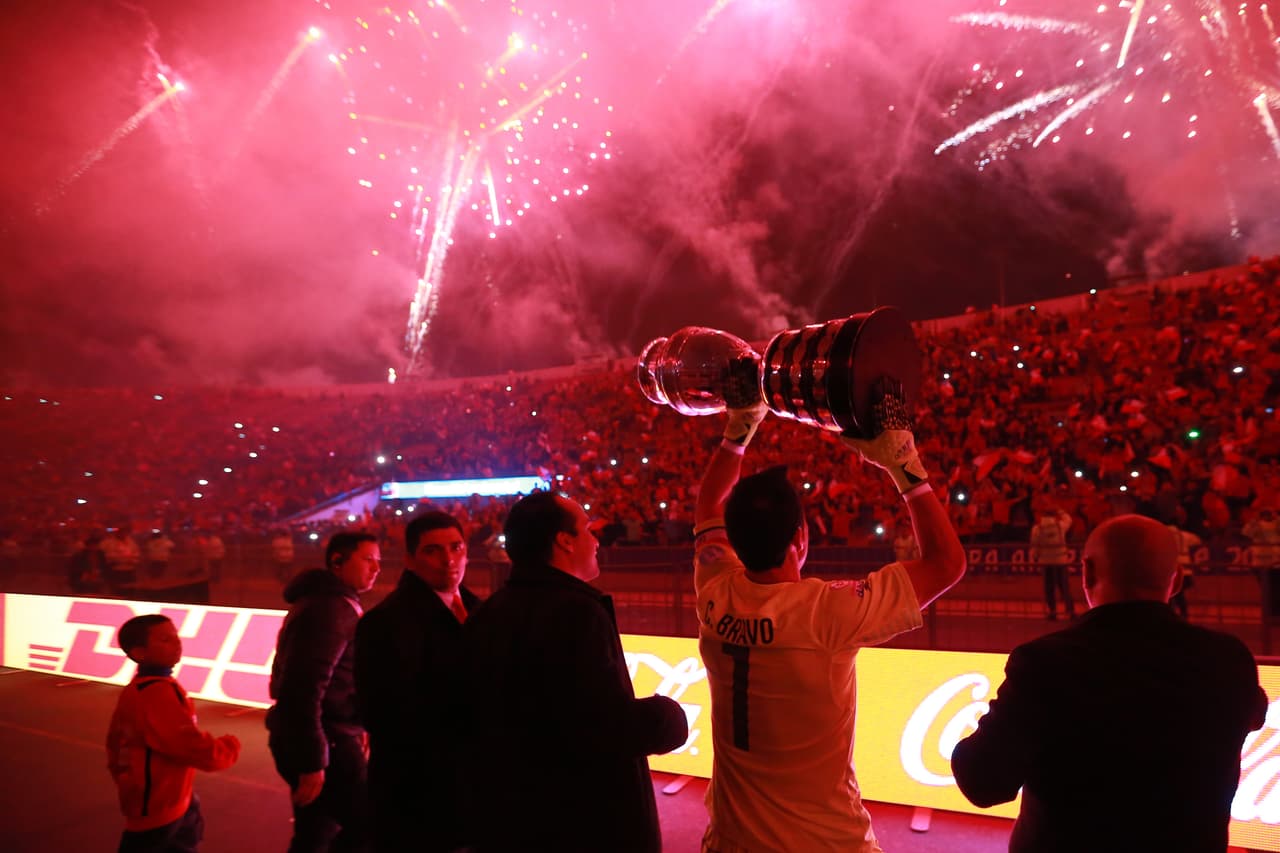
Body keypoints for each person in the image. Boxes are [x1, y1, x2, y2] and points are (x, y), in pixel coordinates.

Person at [691, 389, 965, 852]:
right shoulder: (827, 612)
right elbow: (947, 563)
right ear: (801, 538)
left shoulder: (715, 593)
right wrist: (905, 466)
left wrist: (737, 433)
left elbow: (707, 508)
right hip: (825, 842)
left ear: (732, 539)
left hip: (732, 841)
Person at [951, 514, 1268, 853]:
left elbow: (983, 782)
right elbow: (1255, 714)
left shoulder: (1043, 663)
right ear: (1175, 582)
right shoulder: (1229, 658)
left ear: (1086, 573)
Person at [459, 490, 688, 852]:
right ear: (564, 541)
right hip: (584, 820)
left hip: (516, 817)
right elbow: (598, 724)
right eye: (587, 529)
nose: (596, 540)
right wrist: (666, 718)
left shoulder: (491, 612)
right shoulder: (577, 613)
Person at [354, 512, 481, 852]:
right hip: (420, 799)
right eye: (433, 551)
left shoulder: (483, 612)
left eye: (456, 547)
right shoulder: (385, 624)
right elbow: (381, 715)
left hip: (476, 794)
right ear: (410, 560)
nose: (448, 560)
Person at [266, 531, 381, 853]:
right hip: (326, 740)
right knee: (367, 828)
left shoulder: (328, 602)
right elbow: (303, 686)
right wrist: (313, 759)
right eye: (367, 559)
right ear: (337, 562)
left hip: (323, 735)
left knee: (315, 831)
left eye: (378, 561)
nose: (376, 569)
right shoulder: (330, 609)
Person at [107, 614, 241, 853]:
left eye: (175, 635)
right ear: (140, 652)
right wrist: (228, 747)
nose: (177, 642)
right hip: (158, 806)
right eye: (165, 639)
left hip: (173, 797)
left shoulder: (152, 686)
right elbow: (189, 745)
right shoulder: (155, 693)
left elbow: (115, 743)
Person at [1030, 503, 1074, 620]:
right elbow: (1069, 519)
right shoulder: (1060, 526)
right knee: (1064, 587)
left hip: (1046, 562)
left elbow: (1035, 546)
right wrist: (1059, 509)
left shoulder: (1037, 529)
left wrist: (1035, 557)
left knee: (1049, 588)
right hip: (1060, 561)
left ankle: (1052, 611)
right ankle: (1070, 611)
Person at [1245, 506, 1280, 621]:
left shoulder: (1277, 524)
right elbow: (1246, 533)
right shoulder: (1257, 525)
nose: (1267, 516)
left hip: (1275, 562)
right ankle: (1269, 615)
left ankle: (1274, 615)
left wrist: (1277, 518)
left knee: (1275, 590)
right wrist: (1255, 519)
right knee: (1266, 590)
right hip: (1261, 563)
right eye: (1265, 514)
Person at [103, 523, 142, 594]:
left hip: (129, 569)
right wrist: (120, 559)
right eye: (121, 532)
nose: (123, 534)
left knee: (129, 589)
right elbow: (109, 555)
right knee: (116, 589)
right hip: (116, 570)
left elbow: (136, 553)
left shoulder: (131, 542)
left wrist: (132, 561)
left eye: (125, 532)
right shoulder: (110, 543)